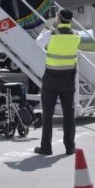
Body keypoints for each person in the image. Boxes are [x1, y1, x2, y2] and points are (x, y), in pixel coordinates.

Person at [35, 9, 80, 156]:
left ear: (58, 19)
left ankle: (46, 147)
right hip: (68, 78)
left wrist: (47, 27)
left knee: (48, 114)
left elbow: (38, 44)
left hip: (51, 78)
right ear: (71, 20)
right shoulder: (76, 35)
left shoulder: (51, 34)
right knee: (69, 114)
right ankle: (70, 147)